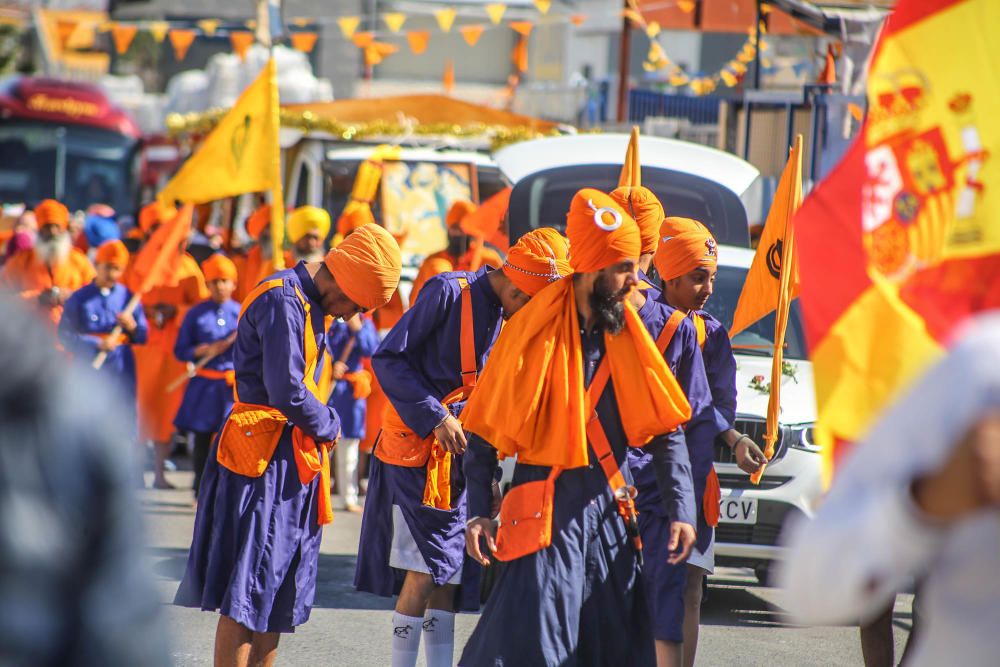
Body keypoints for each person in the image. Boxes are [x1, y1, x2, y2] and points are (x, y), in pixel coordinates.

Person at [460, 190, 697, 666]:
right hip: (543, 520)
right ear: (592, 268)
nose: (638, 279)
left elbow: (667, 430)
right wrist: (479, 513)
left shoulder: (629, 331)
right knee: (535, 653)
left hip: (611, 517)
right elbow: (484, 428)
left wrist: (682, 509)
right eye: (625, 268)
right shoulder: (531, 330)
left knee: (610, 654)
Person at [174, 223, 402, 667]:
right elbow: (287, 391)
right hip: (261, 457)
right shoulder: (283, 299)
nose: (350, 312)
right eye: (355, 302)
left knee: (276, 590)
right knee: (247, 590)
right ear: (341, 277)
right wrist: (331, 424)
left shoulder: (316, 304)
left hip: (294, 457)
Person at [356, 228, 572, 667]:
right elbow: (387, 359)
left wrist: (487, 477)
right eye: (532, 305)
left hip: (462, 454)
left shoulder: (509, 314)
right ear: (516, 288)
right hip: (416, 451)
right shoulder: (446, 291)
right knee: (425, 568)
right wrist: (436, 416)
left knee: (450, 573)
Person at [778, 314, 1000, 667]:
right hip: (897, 486)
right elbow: (809, 587)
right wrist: (924, 503)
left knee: (922, 610)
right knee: (881, 610)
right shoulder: (978, 362)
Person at [0, 294, 169, 667]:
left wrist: (129, 328)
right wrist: (95, 343)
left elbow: (119, 598)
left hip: (115, 375)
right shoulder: (58, 389)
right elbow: (68, 332)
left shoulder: (57, 398)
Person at [652, 216, 768, 667]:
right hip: (642, 477)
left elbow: (718, 406)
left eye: (711, 278)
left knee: (691, 587)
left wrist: (735, 440)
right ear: (668, 273)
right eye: (698, 276)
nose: (706, 287)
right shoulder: (636, 320)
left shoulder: (712, 334)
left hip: (694, 478)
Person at [130, 201, 209, 489]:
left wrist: (177, 312)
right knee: (139, 411)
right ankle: (136, 472)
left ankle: (160, 474)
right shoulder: (137, 264)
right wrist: (147, 313)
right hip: (142, 349)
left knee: (167, 414)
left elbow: (201, 307)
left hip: (175, 349)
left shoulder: (188, 266)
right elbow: (124, 302)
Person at [58, 239, 148, 436]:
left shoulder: (128, 298)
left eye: (117, 269)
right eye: (108, 267)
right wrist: (96, 344)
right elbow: (64, 334)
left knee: (121, 415)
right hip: (90, 365)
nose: (112, 274)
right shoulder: (79, 298)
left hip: (121, 365)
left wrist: (131, 326)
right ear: (97, 265)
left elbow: (142, 336)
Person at [172, 253, 241, 501]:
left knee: (231, 441)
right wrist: (199, 351)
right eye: (214, 282)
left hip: (230, 387)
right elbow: (180, 350)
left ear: (233, 283)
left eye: (224, 281)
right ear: (207, 285)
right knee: (201, 440)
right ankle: (199, 490)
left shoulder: (242, 313)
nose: (220, 286)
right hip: (204, 385)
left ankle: (228, 491)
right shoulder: (195, 314)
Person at [1, 199, 95, 326]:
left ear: (64, 229)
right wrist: (36, 298)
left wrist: (72, 295)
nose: (52, 232)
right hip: (30, 335)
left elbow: (95, 294)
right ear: (39, 229)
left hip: (71, 335)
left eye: (57, 227)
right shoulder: (21, 261)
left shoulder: (79, 260)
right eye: (47, 227)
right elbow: (4, 300)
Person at [326, 313, 379, 512]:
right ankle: (317, 494)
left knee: (350, 447)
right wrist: (331, 364)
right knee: (324, 445)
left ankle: (349, 495)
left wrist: (358, 328)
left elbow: (372, 349)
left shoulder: (365, 322)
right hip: (330, 387)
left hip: (352, 393)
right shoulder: (330, 316)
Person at [410, 200, 503, 303]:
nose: (458, 233)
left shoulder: (489, 259)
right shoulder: (433, 261)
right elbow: (415, 302)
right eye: (455, 228)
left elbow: (503, 298)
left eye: (463, 229)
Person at [234, 203, 293, 303]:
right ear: (261, 231)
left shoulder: (288, 259)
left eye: (277, 226)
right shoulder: (244, 260)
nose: (275, 232)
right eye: (270, 227)